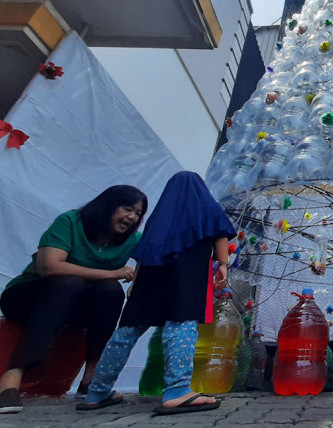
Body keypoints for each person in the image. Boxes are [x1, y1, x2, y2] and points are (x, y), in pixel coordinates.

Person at [76, 171, 236, 416]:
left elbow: (143, 251)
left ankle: (98, 390)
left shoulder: (158, 218)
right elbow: (221, 234)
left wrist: (135, 284)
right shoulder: (208, 209)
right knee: (180, 328)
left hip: (149, 280)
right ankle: (177, 390)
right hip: (186, 278)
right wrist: (223, 265)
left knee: (126, 332)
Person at [0, 185, 148, 414]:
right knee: (70, 282)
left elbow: (155, 256)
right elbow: (49, 266)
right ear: (108, 206)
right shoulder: (70, 222)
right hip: (27, 298)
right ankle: (11, 380)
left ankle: (91, 382)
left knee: (111, 291)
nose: (132, 217)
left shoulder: (132, 240)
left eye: (138, 213)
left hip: (74, 307)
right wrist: (113, 273)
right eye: (127, 209)